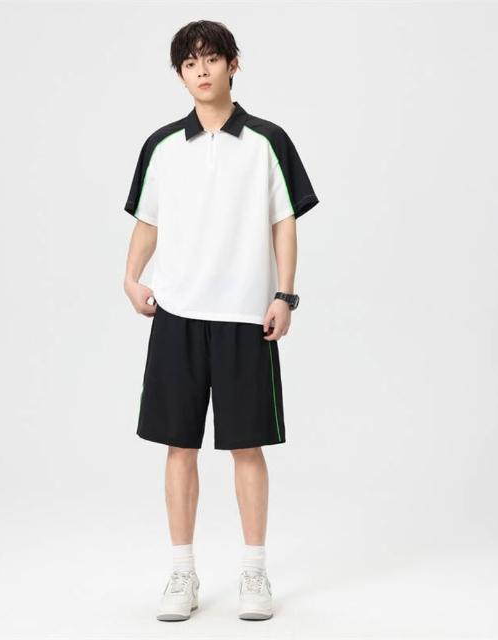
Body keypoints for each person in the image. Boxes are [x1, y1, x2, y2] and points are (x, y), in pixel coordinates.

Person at [123, 20, 319, 622]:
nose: (201, 71)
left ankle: (254, 572)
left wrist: (284, 294)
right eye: (189, 63)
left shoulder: (267, 141)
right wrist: (131, 277)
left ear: (234, 64)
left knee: (246, 447)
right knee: (177, 447)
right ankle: (182, 573)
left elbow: (284, 221)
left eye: (211, 59)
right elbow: (149, 220)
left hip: (243, 315)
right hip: (177, 313)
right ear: (180, 74)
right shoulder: (161, 145)